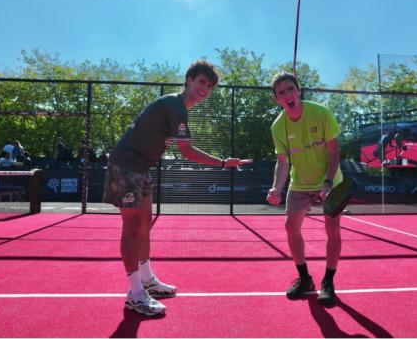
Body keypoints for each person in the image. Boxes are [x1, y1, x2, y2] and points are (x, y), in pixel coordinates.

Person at [102, 60, 252, 316]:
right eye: (201, 82)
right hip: (126, 164)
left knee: (145, 223)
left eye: (210, 86)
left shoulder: (178, 108)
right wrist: (224, 163)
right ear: (188, 80)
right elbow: (188, 151)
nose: (205, 88)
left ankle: (147, 278)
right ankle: (135, 293)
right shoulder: (175, 105)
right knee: (133, 226)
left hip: (141, 167)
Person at [265, 72, 343, 307]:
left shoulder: (321, 113)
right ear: (277, 99)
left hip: (331, 181)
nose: (287, 95)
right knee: (290, 227)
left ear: (299, 91)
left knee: (333, 228)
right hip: (299, 184)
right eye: (281, 92)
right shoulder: (278, 127)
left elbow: (334, 152)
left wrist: (328, 182)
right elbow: (283, 162)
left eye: (290, 89)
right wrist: (276, 188)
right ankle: (305, 278)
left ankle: (328, 281)